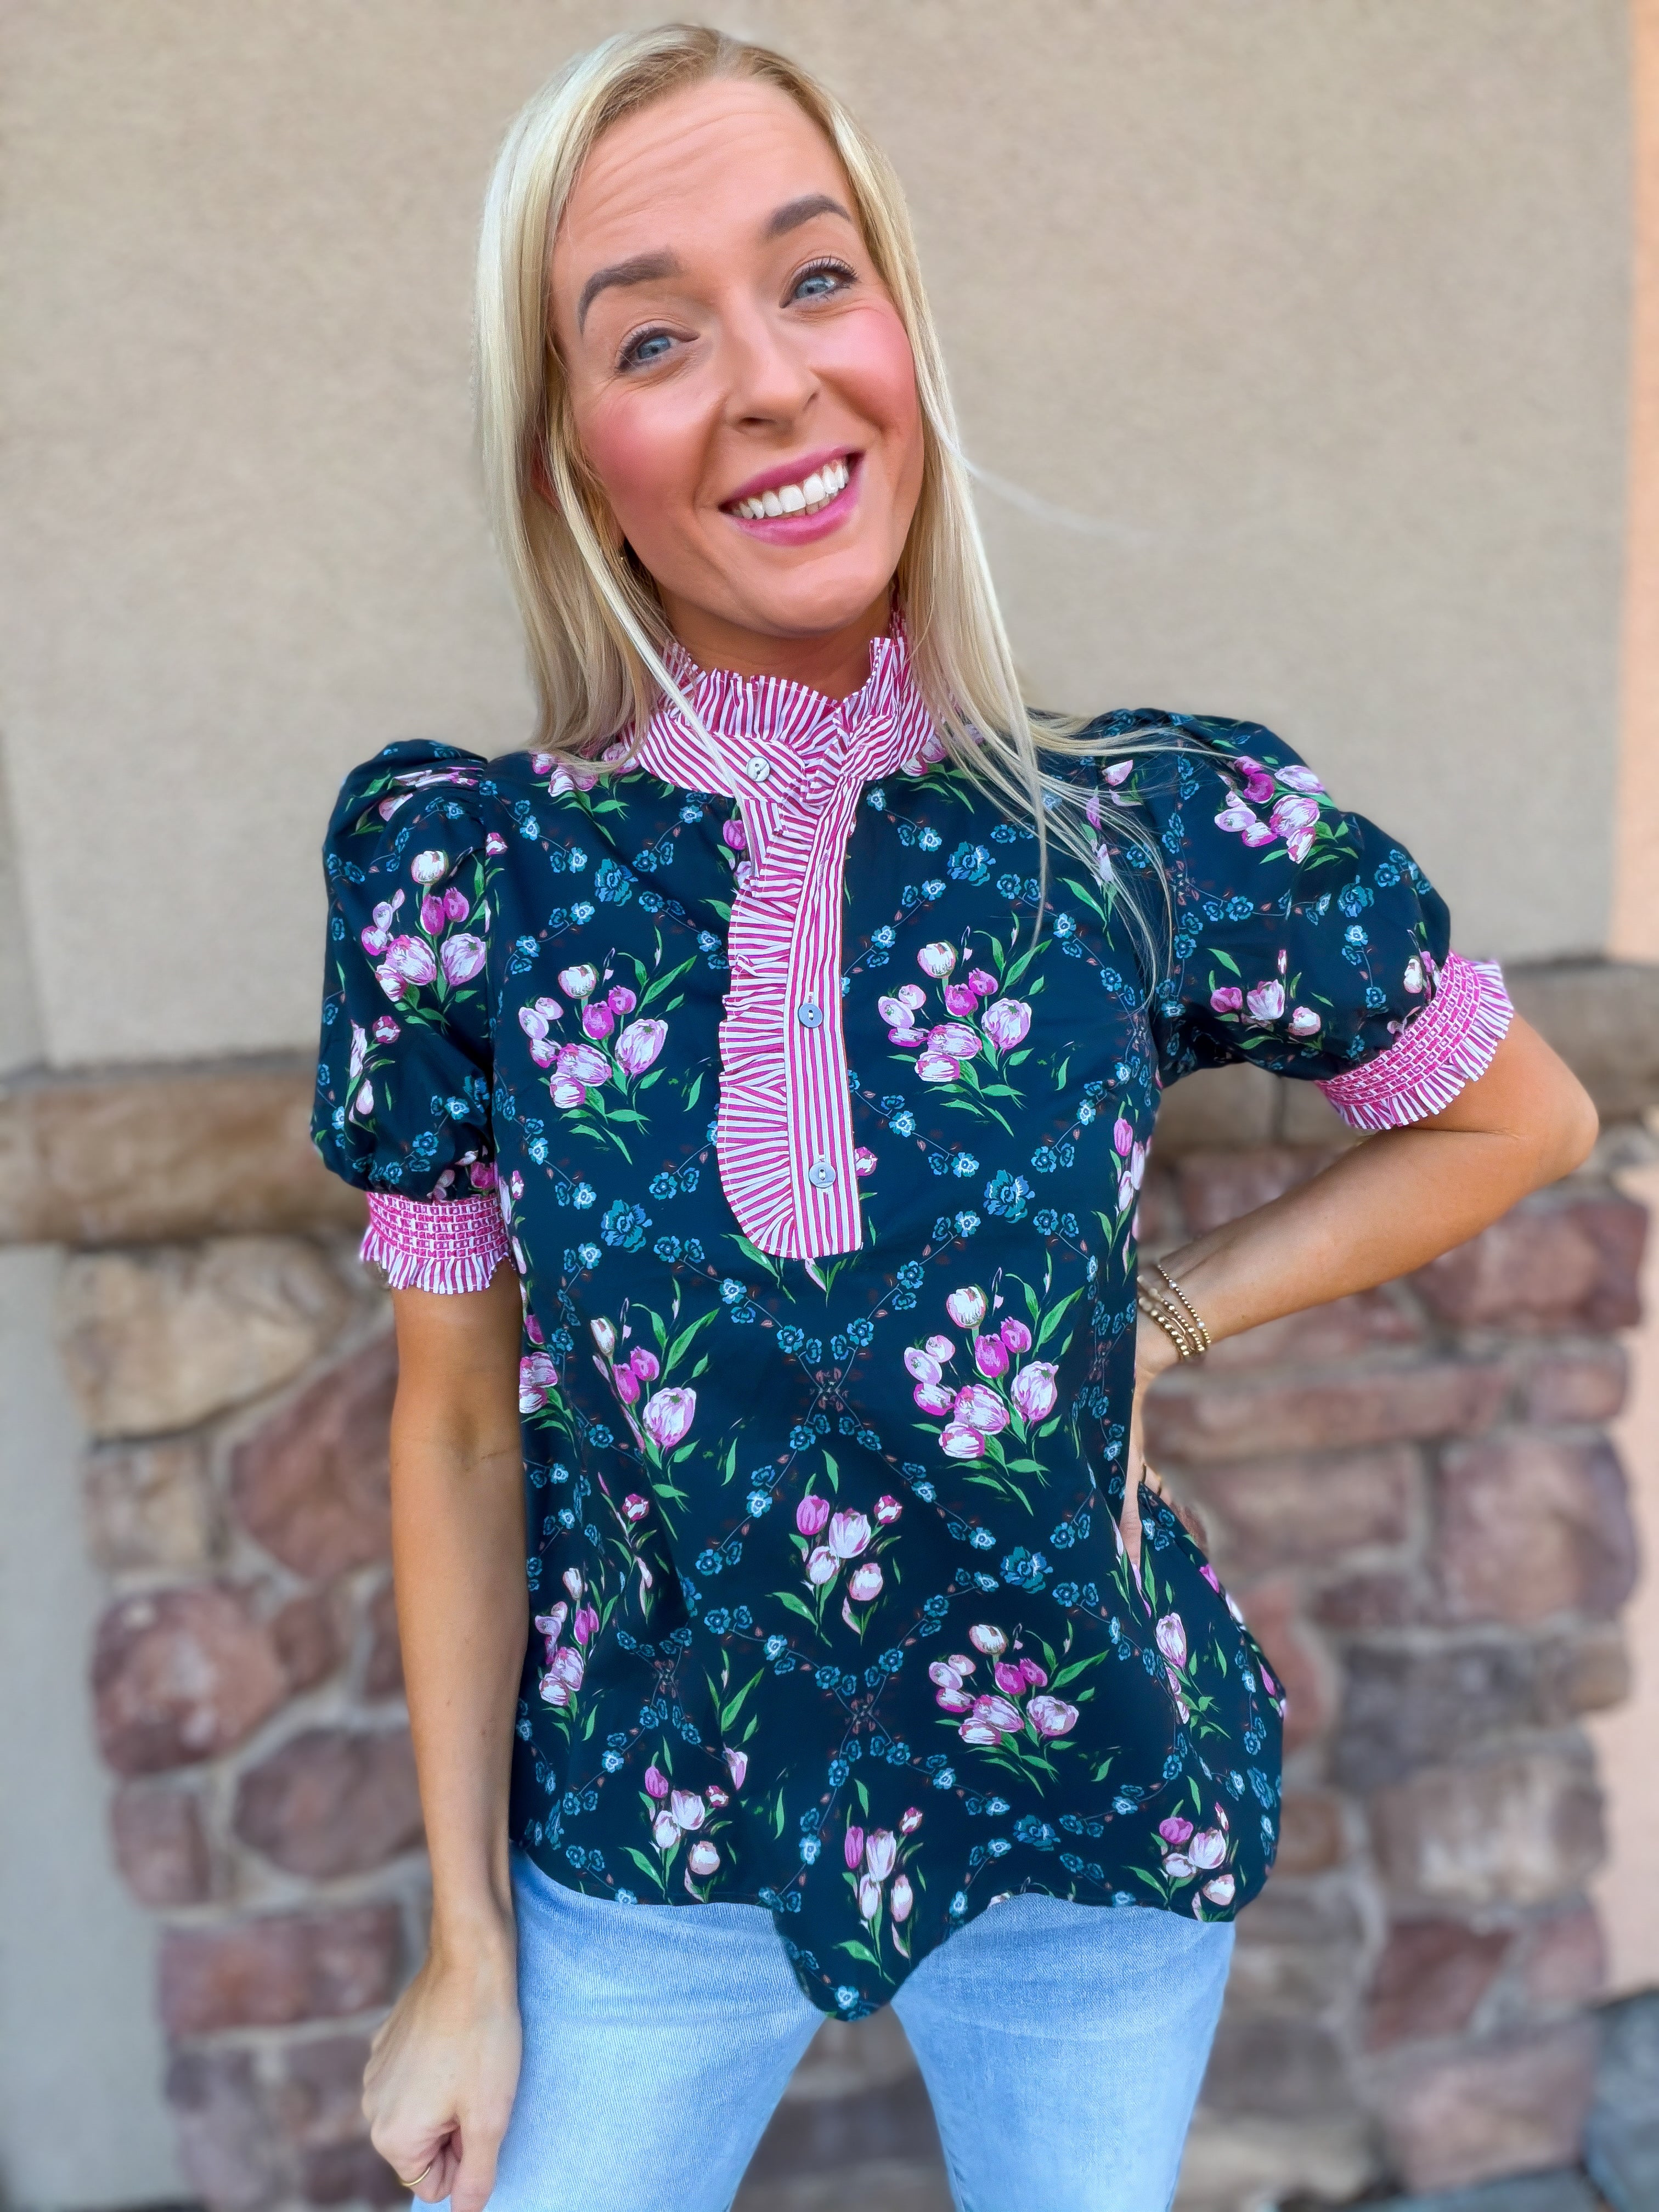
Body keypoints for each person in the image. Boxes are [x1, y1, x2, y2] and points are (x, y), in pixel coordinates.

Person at [310, 25, 1598, 2212]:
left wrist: (1161, 1320)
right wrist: (463, 1946)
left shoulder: (1136, 830)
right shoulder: (472, 880)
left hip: (1080, 1798)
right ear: (570, 458)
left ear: (903, 334)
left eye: (817, 280)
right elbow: (450, 1430)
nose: (771, 380)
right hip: (653, 1822)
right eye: (653, 336)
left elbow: (1520, 1121)